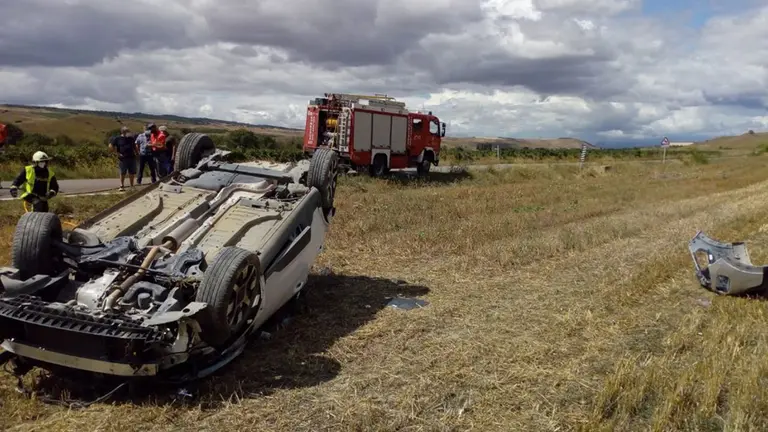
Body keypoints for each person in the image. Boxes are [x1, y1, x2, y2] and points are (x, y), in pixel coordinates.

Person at [110, 126, 137, 191]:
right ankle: (121, 186)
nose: (129, 133)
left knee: (132, 172)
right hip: (123, 158)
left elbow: (134, 146)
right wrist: (117, 153)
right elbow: (111, 146)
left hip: (132, 157)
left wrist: (137, 153)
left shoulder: (131, 138)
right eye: (127, 131)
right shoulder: (117, 138)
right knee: (123, 172)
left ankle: (132, 186)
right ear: (123, 132)